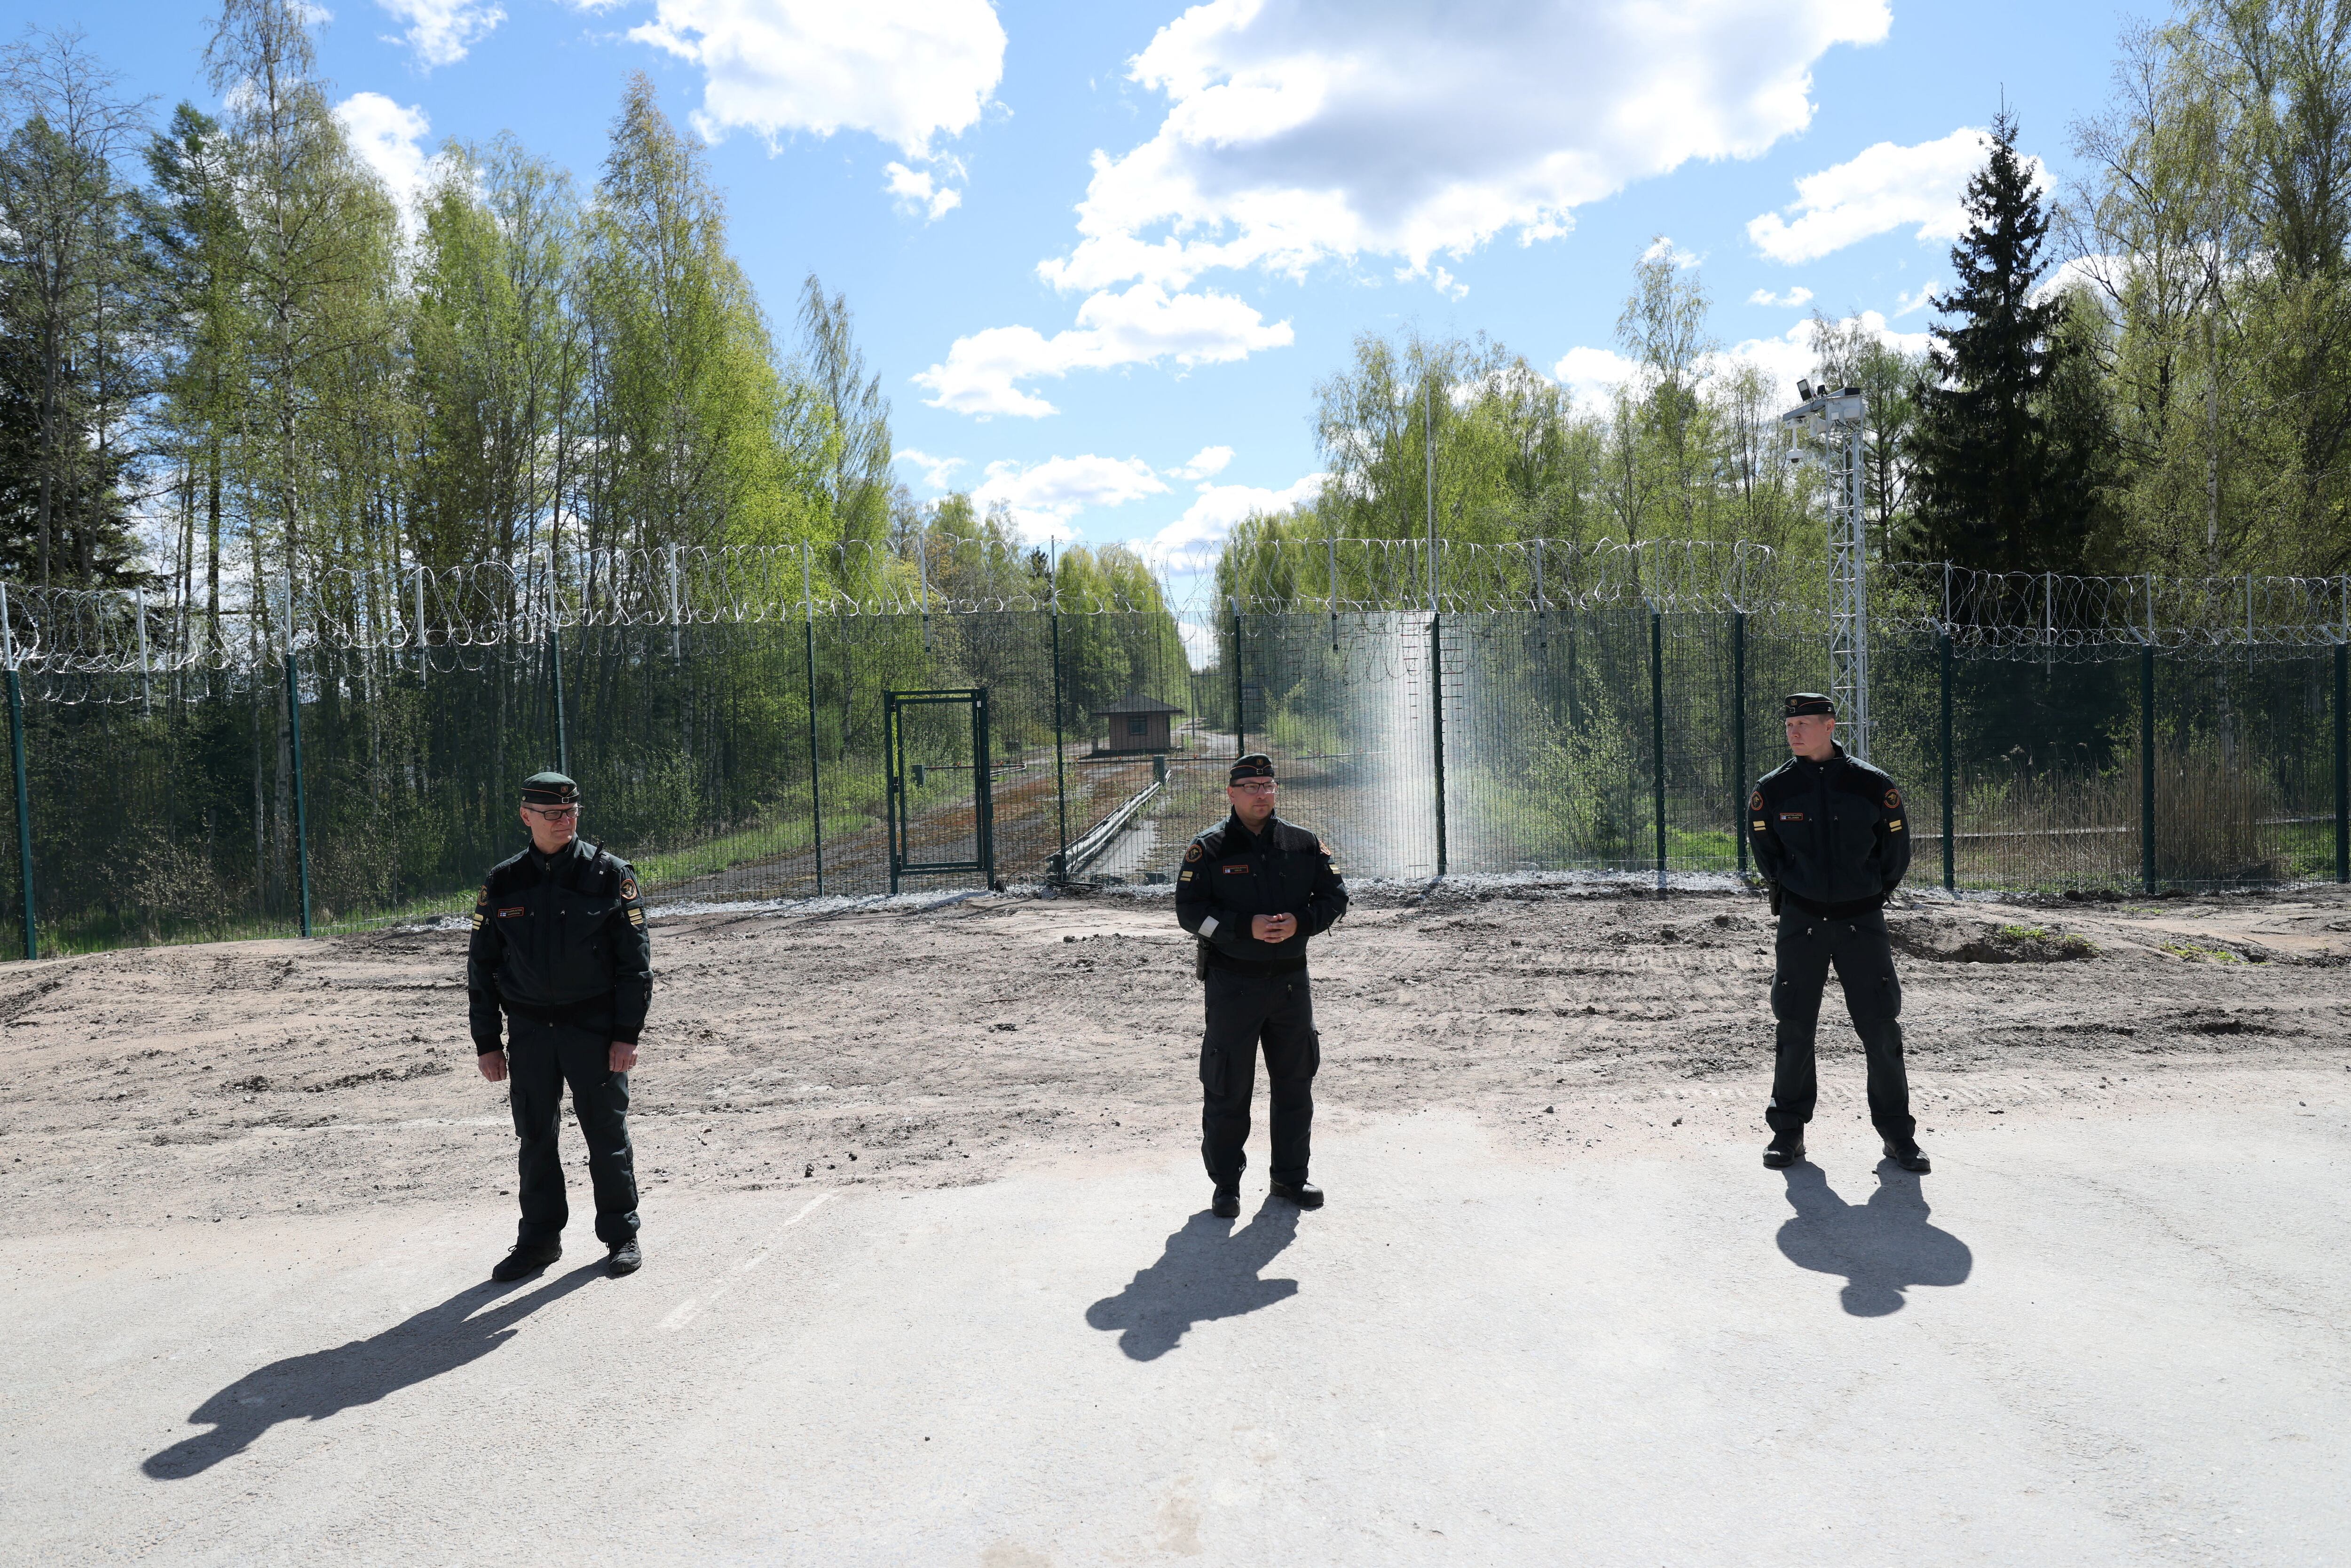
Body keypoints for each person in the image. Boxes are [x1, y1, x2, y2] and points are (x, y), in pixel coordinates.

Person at [467, 772, 653, 1280]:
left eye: (572, 812)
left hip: (592, 1030)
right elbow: (480, 967)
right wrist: (487, 1041)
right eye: (553, 814)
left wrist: (626, 1035)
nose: (565, 821)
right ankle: (538, 1241)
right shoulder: (504, 881)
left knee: (606, 1135)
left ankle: (621, 1234)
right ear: (526, 815)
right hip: (529, 1032)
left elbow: (635, 966)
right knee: (535, 1138)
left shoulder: (608, 875)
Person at [1746, 695, 1930, 1174]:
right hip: (1801, 922)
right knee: (1793, 1028)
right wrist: (1800, 889)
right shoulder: (1774, 790)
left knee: (1880, 1028)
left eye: (1803, 723)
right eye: (1789, 723)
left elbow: (1894, 853)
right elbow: (1766, 855)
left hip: (1859, 922)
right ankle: (1787, 1132)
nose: (1793, 732)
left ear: (1829, 726)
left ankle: (1897, 1135)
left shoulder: (1871, 786)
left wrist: (1866, 892)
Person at [1174, 752, 1349, 1219]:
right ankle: (1226, 1184)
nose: (1261, 793)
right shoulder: (1209, 849)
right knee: (1228, 1086)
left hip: (1291, 984)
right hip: (1234, 985)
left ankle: (1290, 1178)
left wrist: (1302, 920)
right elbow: (1190, 913)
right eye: (1251, 787)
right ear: (1231, 794)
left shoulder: (1302, 844)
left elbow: (1335, 897)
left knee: (1295, 1083)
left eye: (1268, 785)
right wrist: (1240, 927)